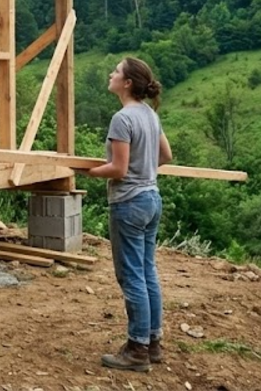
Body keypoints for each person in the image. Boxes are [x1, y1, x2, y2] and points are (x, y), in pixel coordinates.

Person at [81, 56, 173, 372]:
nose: (111, 74)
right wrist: (144, 171)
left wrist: (88, 172)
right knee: (146, 271)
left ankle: (136, 351)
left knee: (132, 275)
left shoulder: (123, 118)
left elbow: (118, 169)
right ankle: (153, 343)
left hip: (129, 202)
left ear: (128, 83)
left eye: (116, 72)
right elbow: (166, 155)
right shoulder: (150, 114)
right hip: (151, 199)